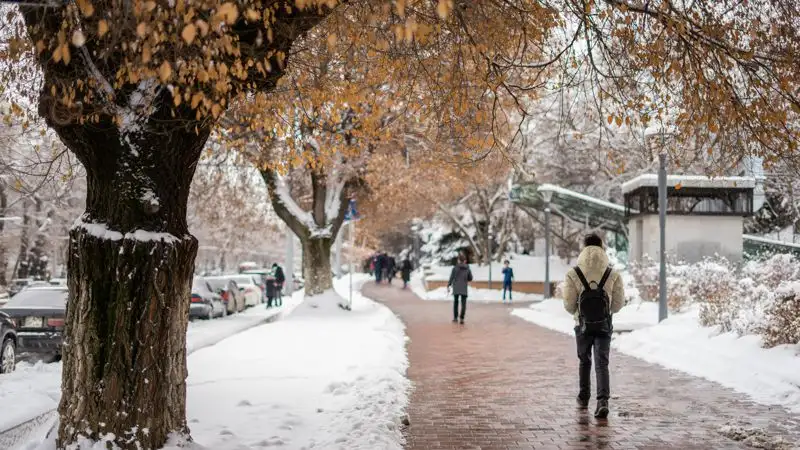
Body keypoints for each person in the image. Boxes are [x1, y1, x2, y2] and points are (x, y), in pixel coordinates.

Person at [562, 233, 625, 419]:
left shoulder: (573, 273)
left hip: (582, 324)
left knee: (584, 360)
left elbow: (569, 305)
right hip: (604, 324)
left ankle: (583, 397)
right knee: (602, 362)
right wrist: (605, 311)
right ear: (602, 248)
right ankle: (603, 401)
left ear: (584, 248)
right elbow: (617, 305)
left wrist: (580, 312)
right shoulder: (612, 274)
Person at [447, 253, 473, 324]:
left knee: (456, 302)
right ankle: (462, 318)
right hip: (464, 287)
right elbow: (470, 278)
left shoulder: (455, 268)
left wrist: (449, 285)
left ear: (458, 260)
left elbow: (451, 277)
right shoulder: (467, 268)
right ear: (464, 260)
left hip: (456, 287)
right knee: (463, 303)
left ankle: (455, 318)